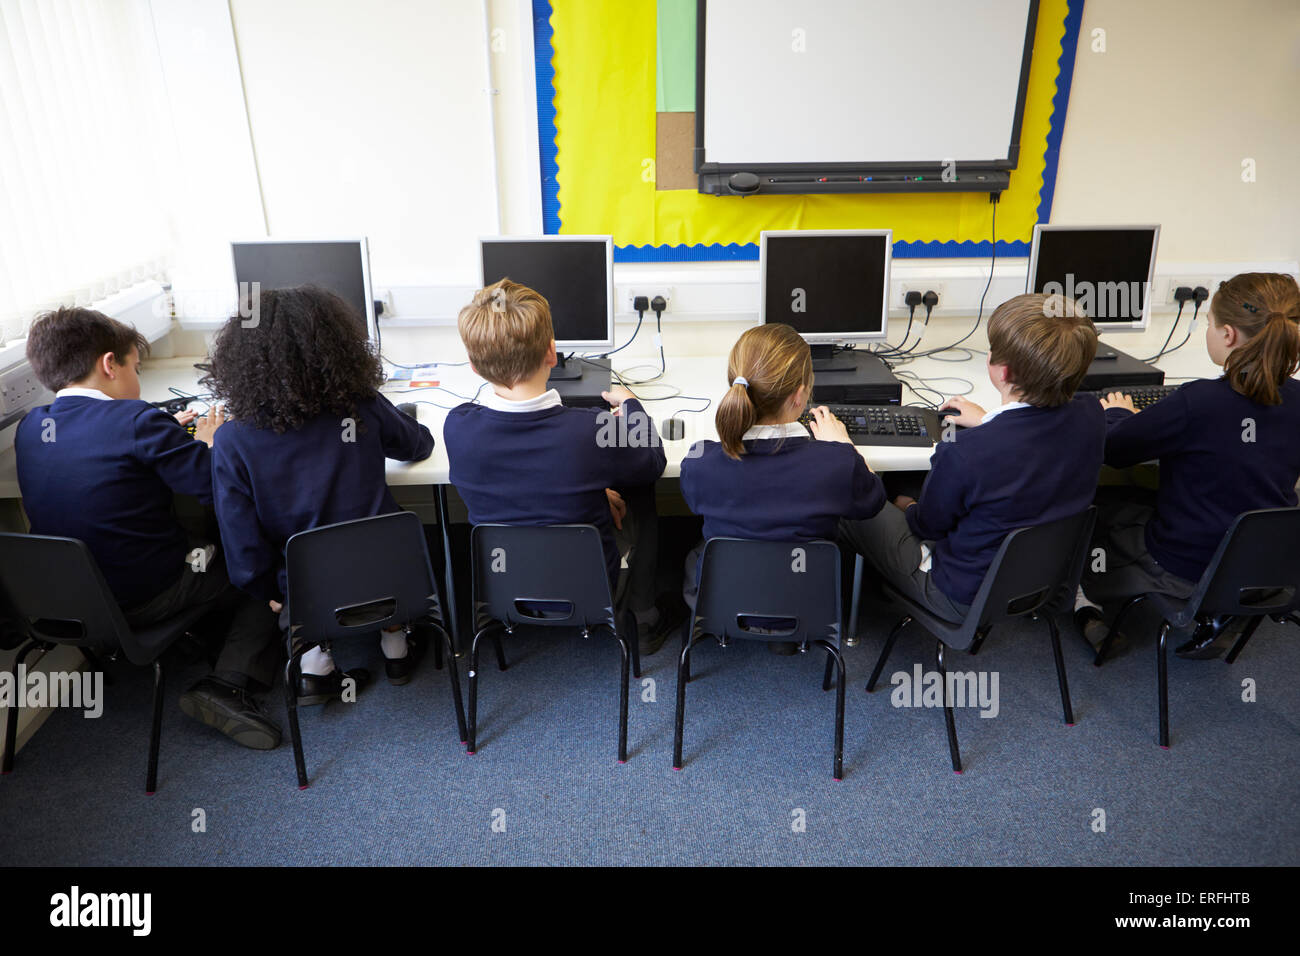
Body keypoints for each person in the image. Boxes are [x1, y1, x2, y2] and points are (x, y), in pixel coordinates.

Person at [16, 306, 282, 749]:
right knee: (253, 565)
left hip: (65, 601)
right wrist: (209, 443)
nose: (137, 380)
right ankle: (228, 684)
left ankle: (202, 644)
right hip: (143, 596)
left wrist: (164, 437)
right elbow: (219, 490)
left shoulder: (30, 428)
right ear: (109, 364)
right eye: (135, 368)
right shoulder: (138, 421)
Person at [202, 286, 435, 698]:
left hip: (304, 592)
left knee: (293, 558)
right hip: (391, 576)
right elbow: (418, 445)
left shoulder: (233, 440)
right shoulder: (359, 406)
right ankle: (396, 646)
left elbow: (243, 547)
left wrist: (271, 595)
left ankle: (314, 664)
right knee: (379, 531)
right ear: (337, 347)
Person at [841, 293, 1105, 620]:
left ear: (1002, 372)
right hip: (1040, 582)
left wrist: (904, 504)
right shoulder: (1092, 415)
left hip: (959, 596)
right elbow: (1032, 447)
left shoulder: (966, 452)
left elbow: (928, 526)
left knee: (849, 495)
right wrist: (988, 421)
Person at [442, 279, 671, 652]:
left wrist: (595, 494)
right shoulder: (589, 430)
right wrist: (631, 406)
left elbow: (527, 474)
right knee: (640, 486)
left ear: (473, 365)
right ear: (552, 352)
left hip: (502, 582)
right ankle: (644, 620)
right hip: (588, 581)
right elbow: (652, 462)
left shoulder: (458, 425)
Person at [1080, 272, 1300, 658]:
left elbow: (1113, 450)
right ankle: (1221, 614)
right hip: (1263, 564)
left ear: (1228, 335)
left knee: (1096, 508)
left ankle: (1087, 605)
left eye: (1210, 324)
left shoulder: (1197, 402)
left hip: (1183, 565)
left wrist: (1115, 413)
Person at [679, 323, 885, 651]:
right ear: (800, 395)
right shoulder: (836, 464)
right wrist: (845, 444)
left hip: (724, 601)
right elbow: (874, 499)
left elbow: (693, 502)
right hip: (809, 603)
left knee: (695, 552)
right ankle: (785, 632)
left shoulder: (700, 463)